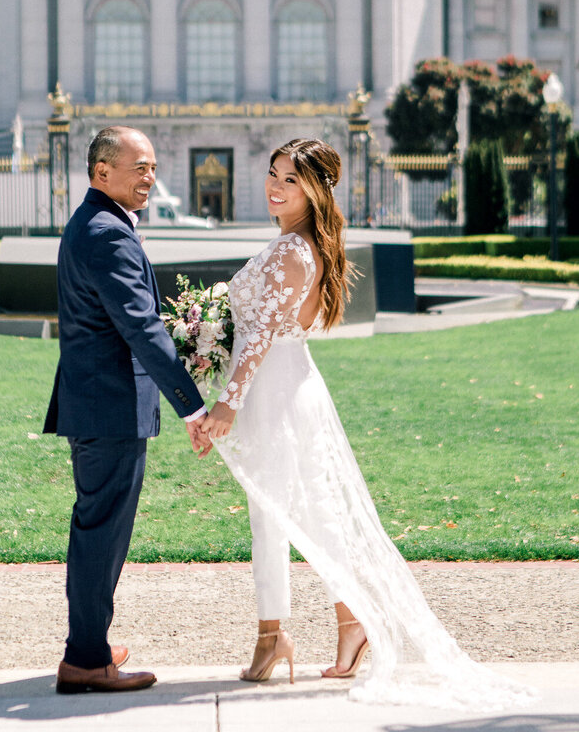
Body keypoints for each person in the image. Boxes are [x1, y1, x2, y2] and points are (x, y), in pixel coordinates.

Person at [201, 138, 532, 709]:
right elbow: (255, 326)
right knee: (295, 512)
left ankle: (297, 630)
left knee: (286, 513)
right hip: (285, 382)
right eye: (273, 174)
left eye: (289, 179)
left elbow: (259, 333)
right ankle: (299, 629)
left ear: (314, 189)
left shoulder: (290, 252)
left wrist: (227, 400)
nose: (275, 186)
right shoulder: (301, 245)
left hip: (275, 388)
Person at [43, 126, 209, 694]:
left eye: (153, 166)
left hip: (98, 405)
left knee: (99, 529)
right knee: (101, 533)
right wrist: (192, 405)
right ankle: (86, 659)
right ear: (101, 173)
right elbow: (140, 328)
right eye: (138, 166)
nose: (150, 176)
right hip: (109, 410)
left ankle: (90, 643)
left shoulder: (97, 224)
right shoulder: (107, 234)